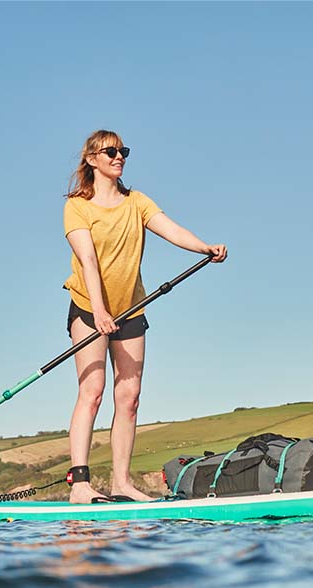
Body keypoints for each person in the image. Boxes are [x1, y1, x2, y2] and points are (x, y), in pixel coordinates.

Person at [62, 129, 227, 504]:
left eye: (123, 151)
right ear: (91, 159)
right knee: (92, 392)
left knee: (130, 396)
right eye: (110, 151)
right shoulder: (77, 205)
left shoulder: (136, 201)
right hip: (90, 308)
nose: (119, 156)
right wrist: (101, 311)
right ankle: (80, 485)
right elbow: (88, 259)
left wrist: (204, 247)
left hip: (131, 307)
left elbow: (170, 229)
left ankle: (121, 482)